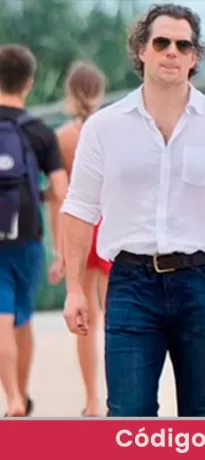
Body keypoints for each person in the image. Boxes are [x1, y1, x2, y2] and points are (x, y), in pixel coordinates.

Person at [59, 3, 205, 417]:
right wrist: (74, 290)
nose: (172, 51)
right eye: (161, 42)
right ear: (142, 49)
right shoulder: (104, 128)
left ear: (195, 57)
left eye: (183, 44)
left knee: (202, 419)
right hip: (129, 285)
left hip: (204, 283)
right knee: (127, 418)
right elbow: (80, 208)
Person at [0, 44, 69, 417]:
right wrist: (62, 252)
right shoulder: (41, 132)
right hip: (27, 237)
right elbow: (61, 193)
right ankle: (20, 394)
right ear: (28, 84)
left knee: (1, 318)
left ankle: (11, 397)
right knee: (21, 318)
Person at [50, 60, 108, 417]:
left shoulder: (64, 138)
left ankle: (91, 400)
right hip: (112, 225)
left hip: (80, 227)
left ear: (70, 95)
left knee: (86, 318)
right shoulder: (110, 130)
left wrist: (61, 251)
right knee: (120, 315)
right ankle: (122, 395)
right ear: (99, 93)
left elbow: (62, 200)